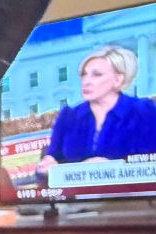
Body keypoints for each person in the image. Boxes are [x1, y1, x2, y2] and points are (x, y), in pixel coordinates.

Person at [37, 46, 156, 174]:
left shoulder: (144, 112)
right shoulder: (68, 116)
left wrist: (113, 168)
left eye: (97, 75)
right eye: (84, 74)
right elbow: (52, 159)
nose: (86, 81)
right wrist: (47, 166)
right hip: (78, 187)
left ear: (118, 79)